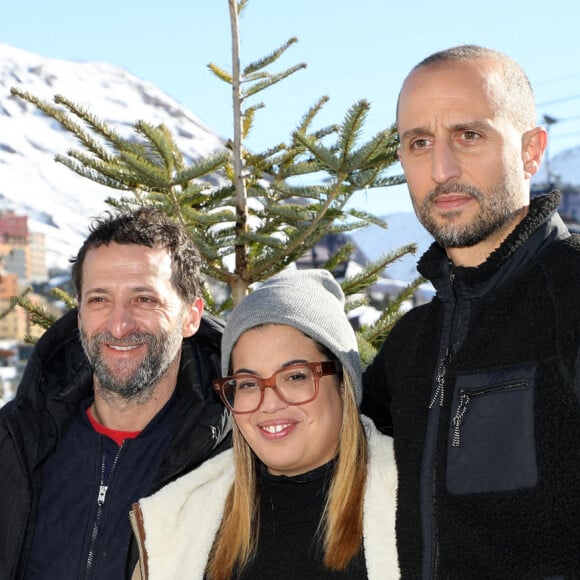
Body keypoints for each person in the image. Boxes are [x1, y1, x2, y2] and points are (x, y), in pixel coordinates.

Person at [361, 44, 580, 579]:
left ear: (532, 152)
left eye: (469, 135)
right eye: (419, 143)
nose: (441, 169)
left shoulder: (572, 291)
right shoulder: (413, 343)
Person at [0, 207, 231, 579]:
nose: (119, 325)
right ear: (79, 316)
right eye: (99, 300)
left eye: (144, 299)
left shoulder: (231, 460)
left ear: (191, 316)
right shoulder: (17, 443)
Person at [130, 268, 399, 579]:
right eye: (246, 383)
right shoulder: (180, 524)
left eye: (296, 376)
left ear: (343, 384)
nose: (269, 402)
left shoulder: (412, 503)